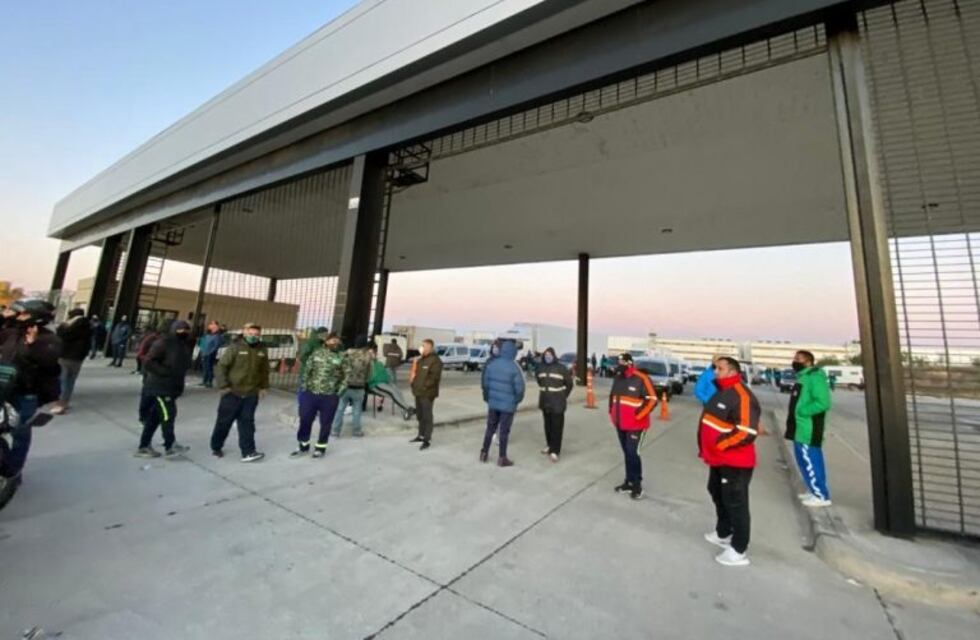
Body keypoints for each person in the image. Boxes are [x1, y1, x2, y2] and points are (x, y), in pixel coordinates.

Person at [698, 356, 761, 567]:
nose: (715, 371)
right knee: (716, 492)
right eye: (715, 367)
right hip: (718, 460)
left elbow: (746, 432)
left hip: (734, 462)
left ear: (732, 372)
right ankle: (723, 532)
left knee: (736, 502)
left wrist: (720, 445)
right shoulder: (722, 391)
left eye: (720, 368)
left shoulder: (742, 396)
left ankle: (738, 549)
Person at [0, 300, 61, 482]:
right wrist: (4, 316)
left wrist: (32, 346)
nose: (19, 317)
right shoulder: (12, 333)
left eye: (24, 314)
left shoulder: (50, 340)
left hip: (26, 392)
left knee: (20, 431)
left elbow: (49, 366)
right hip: (4, 388)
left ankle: (14, 471)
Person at [209, 323, 268, 462]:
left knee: (247, 423)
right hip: (232, 393)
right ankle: (216, 447)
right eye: (251, 334)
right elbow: (221, 367)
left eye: (256, 334)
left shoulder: (262, 350)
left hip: (250, 394)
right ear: (245, 333)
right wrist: (224, 386)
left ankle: (248, 452)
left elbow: (264, 371)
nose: (253, 337)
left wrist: (263, 387)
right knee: (224, 423)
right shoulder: (235, 347)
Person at [135, 321, 194, 458]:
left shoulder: (183, 345)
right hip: (160, 387)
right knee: (168, 415)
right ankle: (170, 444)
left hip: (172, 387)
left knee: (154, 418)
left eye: (186, 330)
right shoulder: (163, 343)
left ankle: (144, 446)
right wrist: (165, 373)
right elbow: (148, 361)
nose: (184, 332)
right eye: (181, 330)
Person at [785, 350, 833, 508]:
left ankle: (821, 495)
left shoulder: (815, 377)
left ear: (808, 362)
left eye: (798, 359)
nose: (794, 361)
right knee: (804, 461)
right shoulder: (803, 377)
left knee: (811, 461)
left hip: (808, 427)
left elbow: (823, 402)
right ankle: (814, 490)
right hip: (800, 427)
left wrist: (802, 411)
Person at [609, 353, 656, 499]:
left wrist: (638, 416)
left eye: (622, 362)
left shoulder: (641, 378)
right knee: (627, 453)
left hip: (636, 425)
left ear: (630, 363)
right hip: (620, 423)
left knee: (632, 453)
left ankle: (637, 485)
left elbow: (653, 400)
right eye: (619, 361)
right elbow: (613, 397)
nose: (620, 364)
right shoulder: (618, 377)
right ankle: (628, 482)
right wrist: (611, 413)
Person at [292, 330, 346, 458]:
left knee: (326, 422)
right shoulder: (316, 354)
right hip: (311, 393)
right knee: (305, 419)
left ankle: (320, 447)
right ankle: (303, 445)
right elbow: (307, 371)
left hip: (329, 396)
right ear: (326, 341)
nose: (335, 343)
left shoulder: (341, 357)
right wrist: (305, 387)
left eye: (337, 341)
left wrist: (338, 391)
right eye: (332, 340)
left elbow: (346, 376)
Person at [479, 339, 525, 466]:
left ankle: (484, 453)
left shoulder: (492, 364)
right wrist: (516, 401)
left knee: (490, 428)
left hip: (493, 404)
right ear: (513, 352)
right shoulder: (514, 367)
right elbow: (520, 390)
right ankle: (502, 458)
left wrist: (489, 399)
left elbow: (486, 385)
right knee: (504, 431)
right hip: (507, 406)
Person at [535, 346, 574, 462]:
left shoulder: (561, 368)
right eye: (546, 355)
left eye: (550, 355)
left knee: (557, 427)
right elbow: (539, 381)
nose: (547, 357)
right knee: (547, 426)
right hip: (545, 402)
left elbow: (570, 384)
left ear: (554, 356)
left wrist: (563, 395)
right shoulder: (540, 368)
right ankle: (549, 445)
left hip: (558, 403)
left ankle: (555, 451)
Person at [333, 336, 373, 438]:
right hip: (359, 387)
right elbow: (369, 372)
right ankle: (356, 431)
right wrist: (366, 381)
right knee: (357, 410)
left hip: (345, 386)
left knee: (340, 408)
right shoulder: (367, 356)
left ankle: (335, 431)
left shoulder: (346, 353)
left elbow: (338, 367)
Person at [54, 308, 91, 414]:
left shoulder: (70, 327)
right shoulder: (88, 326)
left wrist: (62, 325)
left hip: (65, 356)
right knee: (71, 380)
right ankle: (65, 401)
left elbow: (62, 335)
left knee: (62, 380)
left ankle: (60, 403)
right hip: (78, 358)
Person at [409, 339, 442, 450]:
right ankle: (420, 435)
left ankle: (427, 439)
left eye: (423, 346)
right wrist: (414, 385)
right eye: (421, 345)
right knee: (420, 415)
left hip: (427, 394)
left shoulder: (436, 361)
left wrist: (423, 387)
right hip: (418, 392)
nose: (421, 347)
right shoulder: (421, 360)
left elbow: (434, 378)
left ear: (429, 347)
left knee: (427, 416)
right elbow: (416, 374)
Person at [367, 343, 414, 420]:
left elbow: (386, 375)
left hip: (385, 383)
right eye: (371, 353)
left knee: (397, 391)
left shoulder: (379, 363)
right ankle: (407, 408)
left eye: (374, 352)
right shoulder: (368, 364)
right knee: (392, 392)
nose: (373, 354)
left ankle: (405, 411)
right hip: (375, 384)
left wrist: (391, 383)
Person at [199, 320, 223, 388]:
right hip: (204, 353)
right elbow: (202, 343)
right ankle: (204, 380)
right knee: (205, 367)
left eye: (213, 324)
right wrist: (202, 350)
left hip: (210, 354)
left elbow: (216, 346)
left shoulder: (217, 336)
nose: (211, 326)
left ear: (216, 326)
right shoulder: (207, 335)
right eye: (210, 324)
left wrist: (210, 352)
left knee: (209, 368)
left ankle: (209, 382)